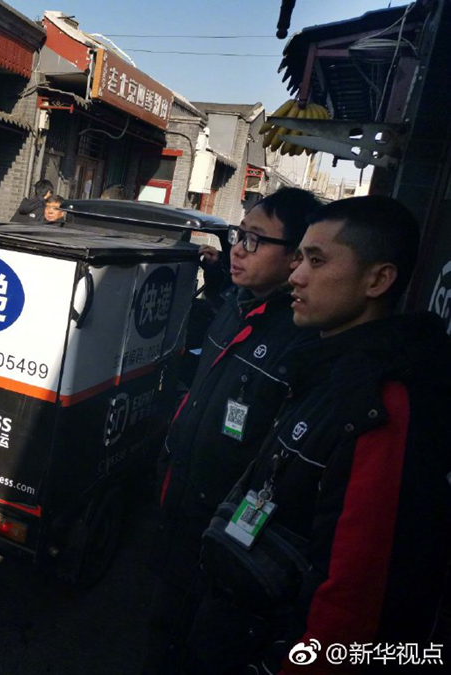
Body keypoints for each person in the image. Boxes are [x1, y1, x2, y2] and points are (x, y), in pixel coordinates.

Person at [186, 196, 451, 674]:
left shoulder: (380, 404)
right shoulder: (325, 367)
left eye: (316, 261)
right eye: (300, 258)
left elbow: (353, 598)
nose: (296, 275)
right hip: (235, 622)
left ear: (377, 280)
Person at [145, 188, 322, 673]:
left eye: (255, 239)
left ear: (295, 257)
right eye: (238, 235)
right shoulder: (235, 304)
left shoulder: (302, 338)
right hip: (179, 506)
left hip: (225, 537)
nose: (238, 249)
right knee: (159, 625)